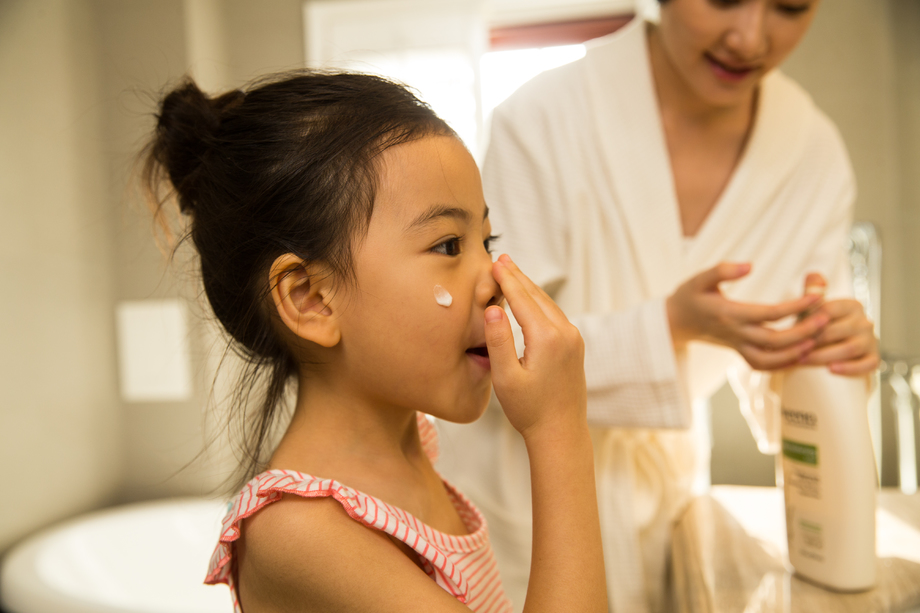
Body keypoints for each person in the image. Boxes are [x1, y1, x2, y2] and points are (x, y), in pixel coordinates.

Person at [435, 1, 880, 612]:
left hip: (666, 509)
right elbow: (489, 338)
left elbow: (793, 386)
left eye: (790, 6)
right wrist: (670, 327)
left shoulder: (813, 154)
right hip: (518, 496)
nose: (749, 37)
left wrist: (829, 352)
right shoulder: (543, 117)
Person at [140, 71, 607, 613]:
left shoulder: (416, 448)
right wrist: (558, 430)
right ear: (311, 298)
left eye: (488, 239)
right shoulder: (300, 533)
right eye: (449, 245)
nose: (497, 279)